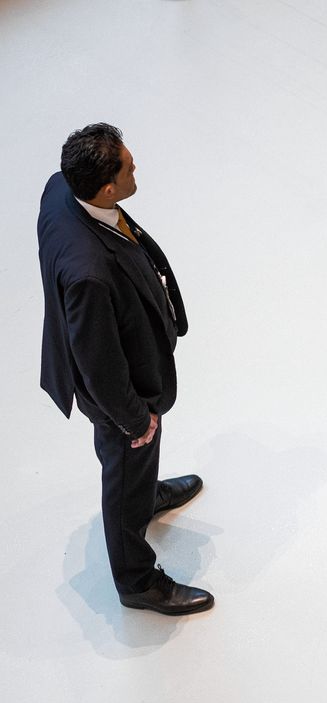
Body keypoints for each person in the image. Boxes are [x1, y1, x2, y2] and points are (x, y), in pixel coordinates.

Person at [38, 124, 212, 615]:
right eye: (129, 168)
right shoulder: (89, 274)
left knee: (133, 468)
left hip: (124, 363)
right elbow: (99, 364)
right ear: (107, 188)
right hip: (120, 394)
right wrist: (136, 419)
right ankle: (136, 580)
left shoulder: (61, 188)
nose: (137, 171)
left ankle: (144, 494)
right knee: (123, 462)